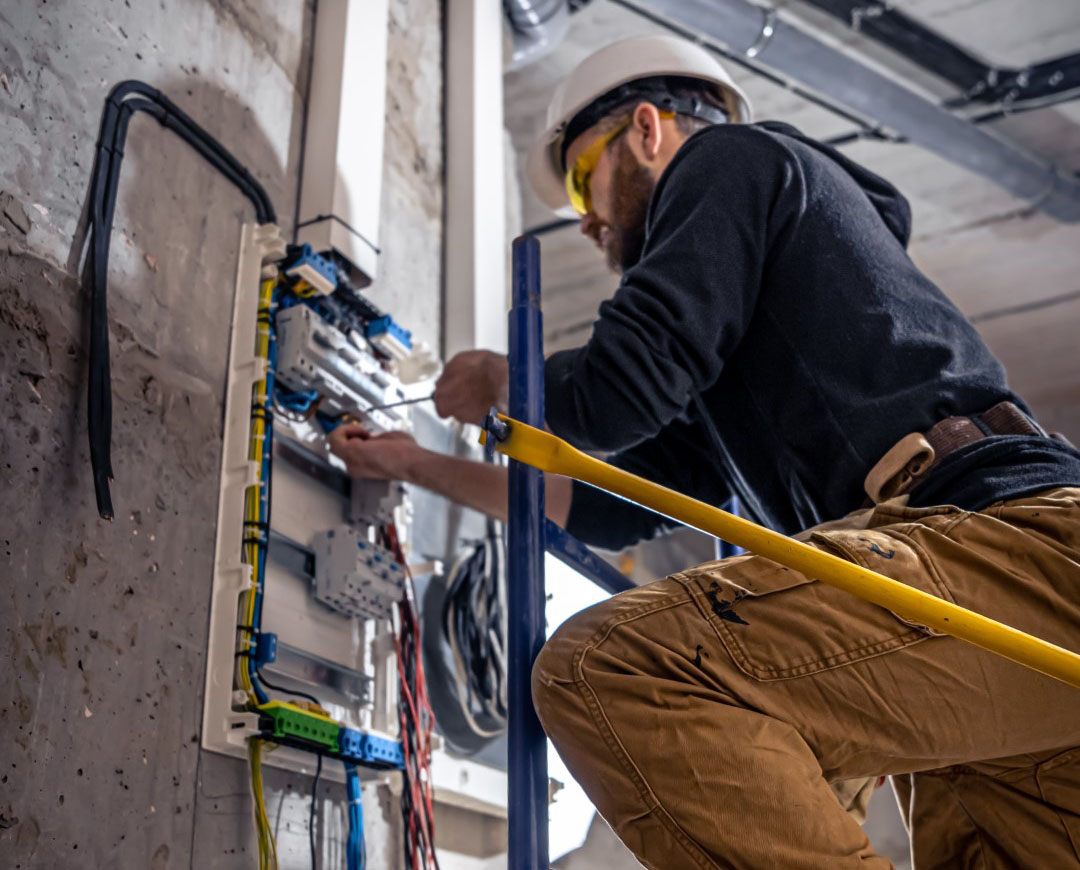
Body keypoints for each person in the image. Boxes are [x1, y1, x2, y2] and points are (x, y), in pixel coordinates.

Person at [329, 34, 1080, 870]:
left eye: (585, 178)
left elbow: (619, 388)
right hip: (998, 619)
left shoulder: (731, 159)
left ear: (648, 128)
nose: (588, 217)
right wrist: (412, 465)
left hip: (1000, 542)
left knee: (619, 670)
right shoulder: (748, 374)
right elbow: (602, 504)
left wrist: (505, 379)